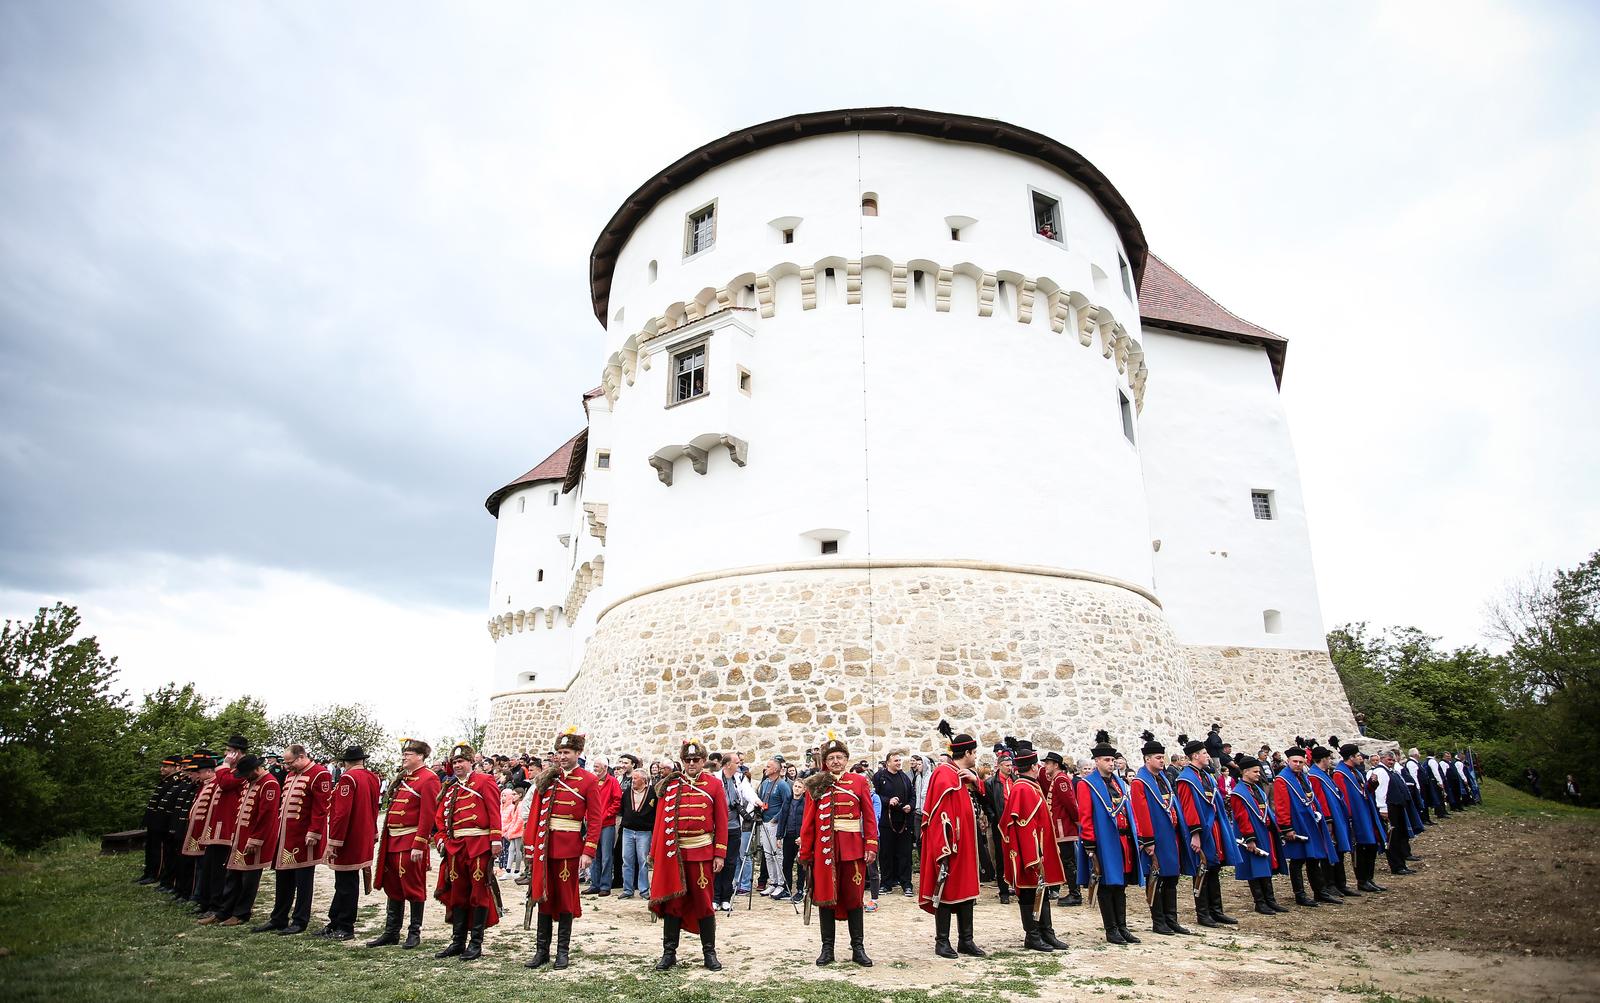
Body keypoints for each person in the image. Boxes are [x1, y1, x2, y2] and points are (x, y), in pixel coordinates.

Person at [523, 729, 603, 971]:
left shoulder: (588, 781)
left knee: (566, 901)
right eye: (559, 752)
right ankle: (541, 950)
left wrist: (588, 850)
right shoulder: (548, 778)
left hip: (569, 848)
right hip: (545, 847)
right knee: (543, 897)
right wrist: (530, 849)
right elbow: (536, 814)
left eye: (566, 752)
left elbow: (596, 818)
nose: (562, 756)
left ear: (578, 753)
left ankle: (563, 951)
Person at [649, 739, 730, 972]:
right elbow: (660, 822)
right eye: (687, 760)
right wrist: (656, 853)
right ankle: (669, 953)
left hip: (702, 852)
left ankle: (709, 953)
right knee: (673, 902)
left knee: (704, 903)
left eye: (696, 759)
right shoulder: (671, 786)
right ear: (682, 762)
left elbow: (722, 822)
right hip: (676, 855)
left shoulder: (714, 785)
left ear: (703, 761)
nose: (692, 763)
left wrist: (719, 853)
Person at [800, 734, 878, 967]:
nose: (836, 761)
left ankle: (858, 948)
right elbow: (808, 821)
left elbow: (869, 816)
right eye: (831, 758)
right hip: (825, 850)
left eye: (840, 757)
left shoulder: (858, 782)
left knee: (854, 899)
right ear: (825, 760)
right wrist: (806, 852)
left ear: (846, 759)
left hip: (853, 848)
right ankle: (827, 949)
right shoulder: (816, 783)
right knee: (825, 899)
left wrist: (871, 844)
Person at [920, 720, 985, 959]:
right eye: (974, 752)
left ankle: (966, 940)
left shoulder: (962, 774)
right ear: (966, 753)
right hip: (950, 845)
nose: (976, 756)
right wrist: (944, 847)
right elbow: (938, 815)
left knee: (967, 890)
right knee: (945, 891)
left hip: (967, 843)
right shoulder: (943, 774)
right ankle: (942, 941)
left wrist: (975, 781)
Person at [433, 742, 503, 961]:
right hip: (456, 846)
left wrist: (495, 839)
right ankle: (457, 941)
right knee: (458, 893)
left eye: (461, 761)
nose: (457, 765)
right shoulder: (451, 788)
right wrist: (442, 839)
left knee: (478, 893)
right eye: (454, 762)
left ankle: (476, 943)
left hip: (478, 845)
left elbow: (493, 810)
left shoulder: (484, 781)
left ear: (471, 762)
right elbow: (441, 819)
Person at [996, 740, 1067, 952]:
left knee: (1041, 890)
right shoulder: (1023, 789)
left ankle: (1047, 932)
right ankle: (1032, 935)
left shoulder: (1029, 786)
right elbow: (1024, 826)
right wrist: (1033, 856)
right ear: (1034, 767)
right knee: (1029, 892)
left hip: (1038, 849)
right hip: (1029, 851)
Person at [251, 744, 330, 935]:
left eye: (290, 762)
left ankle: (300, 920)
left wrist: (314, 832)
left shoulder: (320, 774)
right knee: (283, 878)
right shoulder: (290, 775)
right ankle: (278, 918)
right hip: (286, 836)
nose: (287, 767)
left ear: (302, 757)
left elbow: (321, 807)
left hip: (304, 837)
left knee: (303, 881)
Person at [369, 738, 440, 950]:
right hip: (394, 839)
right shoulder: (404, 778)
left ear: (420, 756)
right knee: (393, 887)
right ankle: (391, 931)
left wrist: (420, 843)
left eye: (408, 754)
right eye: (404, 753)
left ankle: (414, 932)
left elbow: (428, 815)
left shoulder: (429, 779)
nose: (404, 757)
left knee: (413, 887)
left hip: (410, 840)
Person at [1077, 730, 1144, 945]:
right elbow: (1085, 816)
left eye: (1113, 759)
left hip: (1123, 841)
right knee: (1107, 885)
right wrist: (1090, 844)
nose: (1111, 763)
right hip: (1104, 843)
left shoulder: (1118, 783)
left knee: (1121, 884)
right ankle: (1111, 929)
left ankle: (1122, 926)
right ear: (1097, 761)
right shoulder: (1087, 785)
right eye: (1107, 760)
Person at [1131, 732, 1194, 935]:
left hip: (1170, 836)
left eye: (1162, 757)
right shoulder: (1140, 782)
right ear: (1147, 759)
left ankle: (1171, 918)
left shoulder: (1163, 780)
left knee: (1171, 879)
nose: (1161, 761)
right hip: (1155, 838)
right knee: (1156, 879)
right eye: (1158, 757)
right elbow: (1141, 813)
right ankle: (1158, 921)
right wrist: (1147, 840)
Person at [1175, 736, 1241, 928]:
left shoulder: (1206, 776)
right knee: (1202, 870)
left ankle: (1216, 910)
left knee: (1214, 868)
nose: (1208, 756)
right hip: (1201, 830)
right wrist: (1195, 833)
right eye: (1204, 753)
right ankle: (1203, 913)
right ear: (1195, 756)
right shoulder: (1186, 779)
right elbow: (1188, 808)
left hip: (1213, 828)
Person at [209, 754, 280, 927]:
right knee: (233, 875)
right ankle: (224, 912)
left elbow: (266, 816)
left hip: (253, 839)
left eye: (247, 773)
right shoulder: (251, 782)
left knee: (249, 880)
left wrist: (255, 839)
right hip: (240, 838)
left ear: (256, 769)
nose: (246, 777)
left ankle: (241, 914)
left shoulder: (269, 783)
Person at [322, 745, 380, 940]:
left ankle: (345, 925)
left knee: (346, 883)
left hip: (349, 837)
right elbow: (374, 807)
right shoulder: (372, 777)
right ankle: (336, 920)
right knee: (345, 882)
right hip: (363, 834)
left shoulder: (348, 778)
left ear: (346, 762)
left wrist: (334, 841)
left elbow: (341, 813)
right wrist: (374, 831)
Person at [1271, 744, 1335, 908]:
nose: (1298, 764)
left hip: (1309, 823)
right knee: (1298, 861)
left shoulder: (1303, 777)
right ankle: (1300, 894)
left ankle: (1320, 891)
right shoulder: (1282, 780)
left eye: (1301, 762)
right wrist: (1287, 828)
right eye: (1295, 761)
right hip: (1296, 824)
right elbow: (1281, 806)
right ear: (1288, 761)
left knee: (1314, 858)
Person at [195, 737, 248, 921]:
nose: (226, 754)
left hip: (228, 828)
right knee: (210, 867)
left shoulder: (241, 770)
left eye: (229, 751)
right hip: (217, 827)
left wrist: (225, 765)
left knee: (220, 870)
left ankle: (218, 906)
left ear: (237, 753)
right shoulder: (230, 770)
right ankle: (210, 903)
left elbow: (226, 784)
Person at [1227, 755, 1287, 916]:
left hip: (1264, 832)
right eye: (1255, 772)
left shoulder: (1257, 789)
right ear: (1245, 772)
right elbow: (1241, 817)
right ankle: (1260, 902)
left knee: (1266, 867)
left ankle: (1270, 900)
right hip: (1251, 834)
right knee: (1256, 868)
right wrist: (1250, 838)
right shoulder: (1238, 793)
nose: (1258, 774)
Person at [1332, 742, 1387, 894]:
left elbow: (1363, 792)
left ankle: (1369, 878)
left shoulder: (1355, 772)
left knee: (1370, 846)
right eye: (1358, 756)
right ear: (1350, 757)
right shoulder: (1339, 774)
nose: (1361, 758)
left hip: (1365, 813)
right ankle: (1362, 880)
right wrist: (1349, 817)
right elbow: (1343, 798)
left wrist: (1372, 784)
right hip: (1356, 816)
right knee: (1361, 849)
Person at [1306, 744, 1356, 899]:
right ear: (1323, 759)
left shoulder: (1324, 774)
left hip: (1337, 816)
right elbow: (1320, 799)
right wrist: (1327, 819)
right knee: (1330, 850)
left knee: (1339, 849)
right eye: (1328, 758)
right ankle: (1330, 883)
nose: (1330, 761)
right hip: (1329, 818)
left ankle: (1341, 883)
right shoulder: (1315, 776)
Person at [872, 751, 916, 898]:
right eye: (896, 760)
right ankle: (886, 883)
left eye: (899, 760)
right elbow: (874, 795)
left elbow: (912, 795)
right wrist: (888, 801)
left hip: (903, 821)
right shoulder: (879, 777)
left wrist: (910, 805)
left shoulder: (904, 777)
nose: (898, 763)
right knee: (886, 854)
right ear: (888, 762)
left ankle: (906, 884)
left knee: (904, 854)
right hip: (886, 822)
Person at [178, 753, 220, 907]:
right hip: (196, 829)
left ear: (209, 771)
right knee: (198, 864)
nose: (197, 775)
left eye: (200, 772)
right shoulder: (204, 785)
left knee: (203, 866)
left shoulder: (214, 784)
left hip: (204, 831)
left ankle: (199, 895)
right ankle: (197, 894)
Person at [1041, 750, 1081, 906]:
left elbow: (1070, 803)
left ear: (1055, 765)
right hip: (1060, 827)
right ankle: (1073, 892)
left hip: (1064, 827)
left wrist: (1077, 820)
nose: (1045, 766)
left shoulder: (1060, 779)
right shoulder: (1057, 779)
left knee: (1068, 861)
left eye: (1047, 763)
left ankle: (1075, 894)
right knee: (1066, 861)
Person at [137, 755, 182, 885]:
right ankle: (149, 871)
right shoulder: (166, 780)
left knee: (159, 850)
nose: (162, 769)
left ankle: (156, 873)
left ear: (176, 768)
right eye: (162, 766)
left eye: (166, 766)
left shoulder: (175, 781)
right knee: (150, 847)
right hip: (154, 820)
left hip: (162, 822)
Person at [1372, 750, 1417, 875]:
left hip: (1397, 807)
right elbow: (1381, 792)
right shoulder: (1381, 771)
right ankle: (1396, 866)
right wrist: (1383, 809)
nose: (1391, 762)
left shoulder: (1391, 771)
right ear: (1382, 759)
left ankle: (1401, 863)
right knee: (1393, 838)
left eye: (1392, 760)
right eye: (1388, 760)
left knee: (1400, 836)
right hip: (1389, 808)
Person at [584, 756, 620, 897]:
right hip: (593, 824)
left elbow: (616, 802)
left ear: (605, 768)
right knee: (593, 854)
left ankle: (605, 885)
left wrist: (604, 815)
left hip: (606, 824)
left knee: (606, 856)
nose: (595, 769)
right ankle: (595, 884)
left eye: (597, 766)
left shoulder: (613, 782)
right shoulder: (592, 781)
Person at [986, 745, 1017, 905]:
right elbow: (988, 803)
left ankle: (1017, 886)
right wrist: (993, 817)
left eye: (1011, 765)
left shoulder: (1016, 781)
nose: (1010, 768)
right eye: (1007, 765)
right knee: (1001, 857)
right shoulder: (991, 783)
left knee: (1016, 855)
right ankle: (1003, 890)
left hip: (1016, 823)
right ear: (999, 766)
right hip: (1000, 823)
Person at [757, 758, 792, 898]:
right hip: (764, 822)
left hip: (774, 824)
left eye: (769, 766)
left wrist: (776, 818)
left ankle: (780, 883)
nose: (766, 768)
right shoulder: (765, 783)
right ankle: (772, 882)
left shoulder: (782, 785)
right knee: (768, 854)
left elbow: (787, 804)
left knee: (777, 854)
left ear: (776, 769)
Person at [619, 768, 656, 900]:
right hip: (628, 831)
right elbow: (623, 808)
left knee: (643, 861)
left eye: (635, 778)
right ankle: (628, 889)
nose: (632, 781)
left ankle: (644, 890)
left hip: (644, 832)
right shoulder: (628, 792)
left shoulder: (652, 792)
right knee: (627, 860)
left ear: (644, 780)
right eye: (632, 778)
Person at [783, 779, 806, 902]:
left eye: (799, 787)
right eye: (795, 786)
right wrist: (779, 836)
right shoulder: (788, 801)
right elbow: (783, 818)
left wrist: (803, 837)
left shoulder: (806, 803)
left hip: (800, 838)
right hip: (788, 836)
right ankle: (787, 889)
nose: (796, 788)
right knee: (786, 863)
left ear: (804, 790)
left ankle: (800, 890)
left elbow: (807, 822)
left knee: (800, 864)